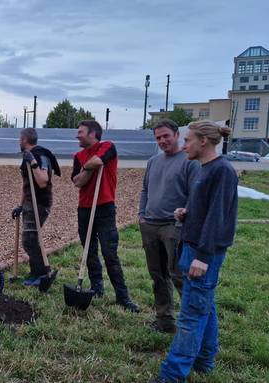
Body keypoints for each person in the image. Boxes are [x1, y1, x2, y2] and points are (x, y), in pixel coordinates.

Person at [150, 121, 238, 383]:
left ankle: (172, 375)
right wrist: (187, 214)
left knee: (190, 316)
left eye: (188, 139)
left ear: (204, 141)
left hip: (202, 253)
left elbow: (218, 216)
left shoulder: (222, 171)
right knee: (205, 307)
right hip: (191, 248)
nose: (184, 144)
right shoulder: (205, 169)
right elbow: (206, 209)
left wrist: (203, 256)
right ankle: (204, 361)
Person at [71, 120, 139, 312]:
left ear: (93, 134)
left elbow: (98, 161)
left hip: (105, 208)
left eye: (80, 132)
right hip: (84, 209)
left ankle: (123, 297)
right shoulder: (78, 156)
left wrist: (90, 166)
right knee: (89, 252)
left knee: (110, 254)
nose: (77, 135)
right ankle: (97, 288)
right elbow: (77, 182)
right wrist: (87, 168)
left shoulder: (107, 146)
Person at [139, 119, 200, 333]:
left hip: (173, 227)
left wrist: (183, 219)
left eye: (166, 136)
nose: (162, 141)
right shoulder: (153, 162)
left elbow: (196, 195)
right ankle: (164, 320)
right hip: (150, 225)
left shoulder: (189, 161)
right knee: (157, 275)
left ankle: (190, 323)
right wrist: (141, 214)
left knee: (178, 275)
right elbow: (145, 190)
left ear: (177, 135)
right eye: (158, 138)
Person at [11, 128, 61, 287]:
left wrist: (32, 161)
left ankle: (42, 274)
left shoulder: (41, 155)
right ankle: (36, 272)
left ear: (24, 140)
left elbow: (42, 181)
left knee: (29, 239)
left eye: (20, 139)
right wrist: (20, 205)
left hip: (39, 203)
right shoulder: (27, 157)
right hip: (29, 202)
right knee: (31, 239)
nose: (19, 142)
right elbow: (26, 184)